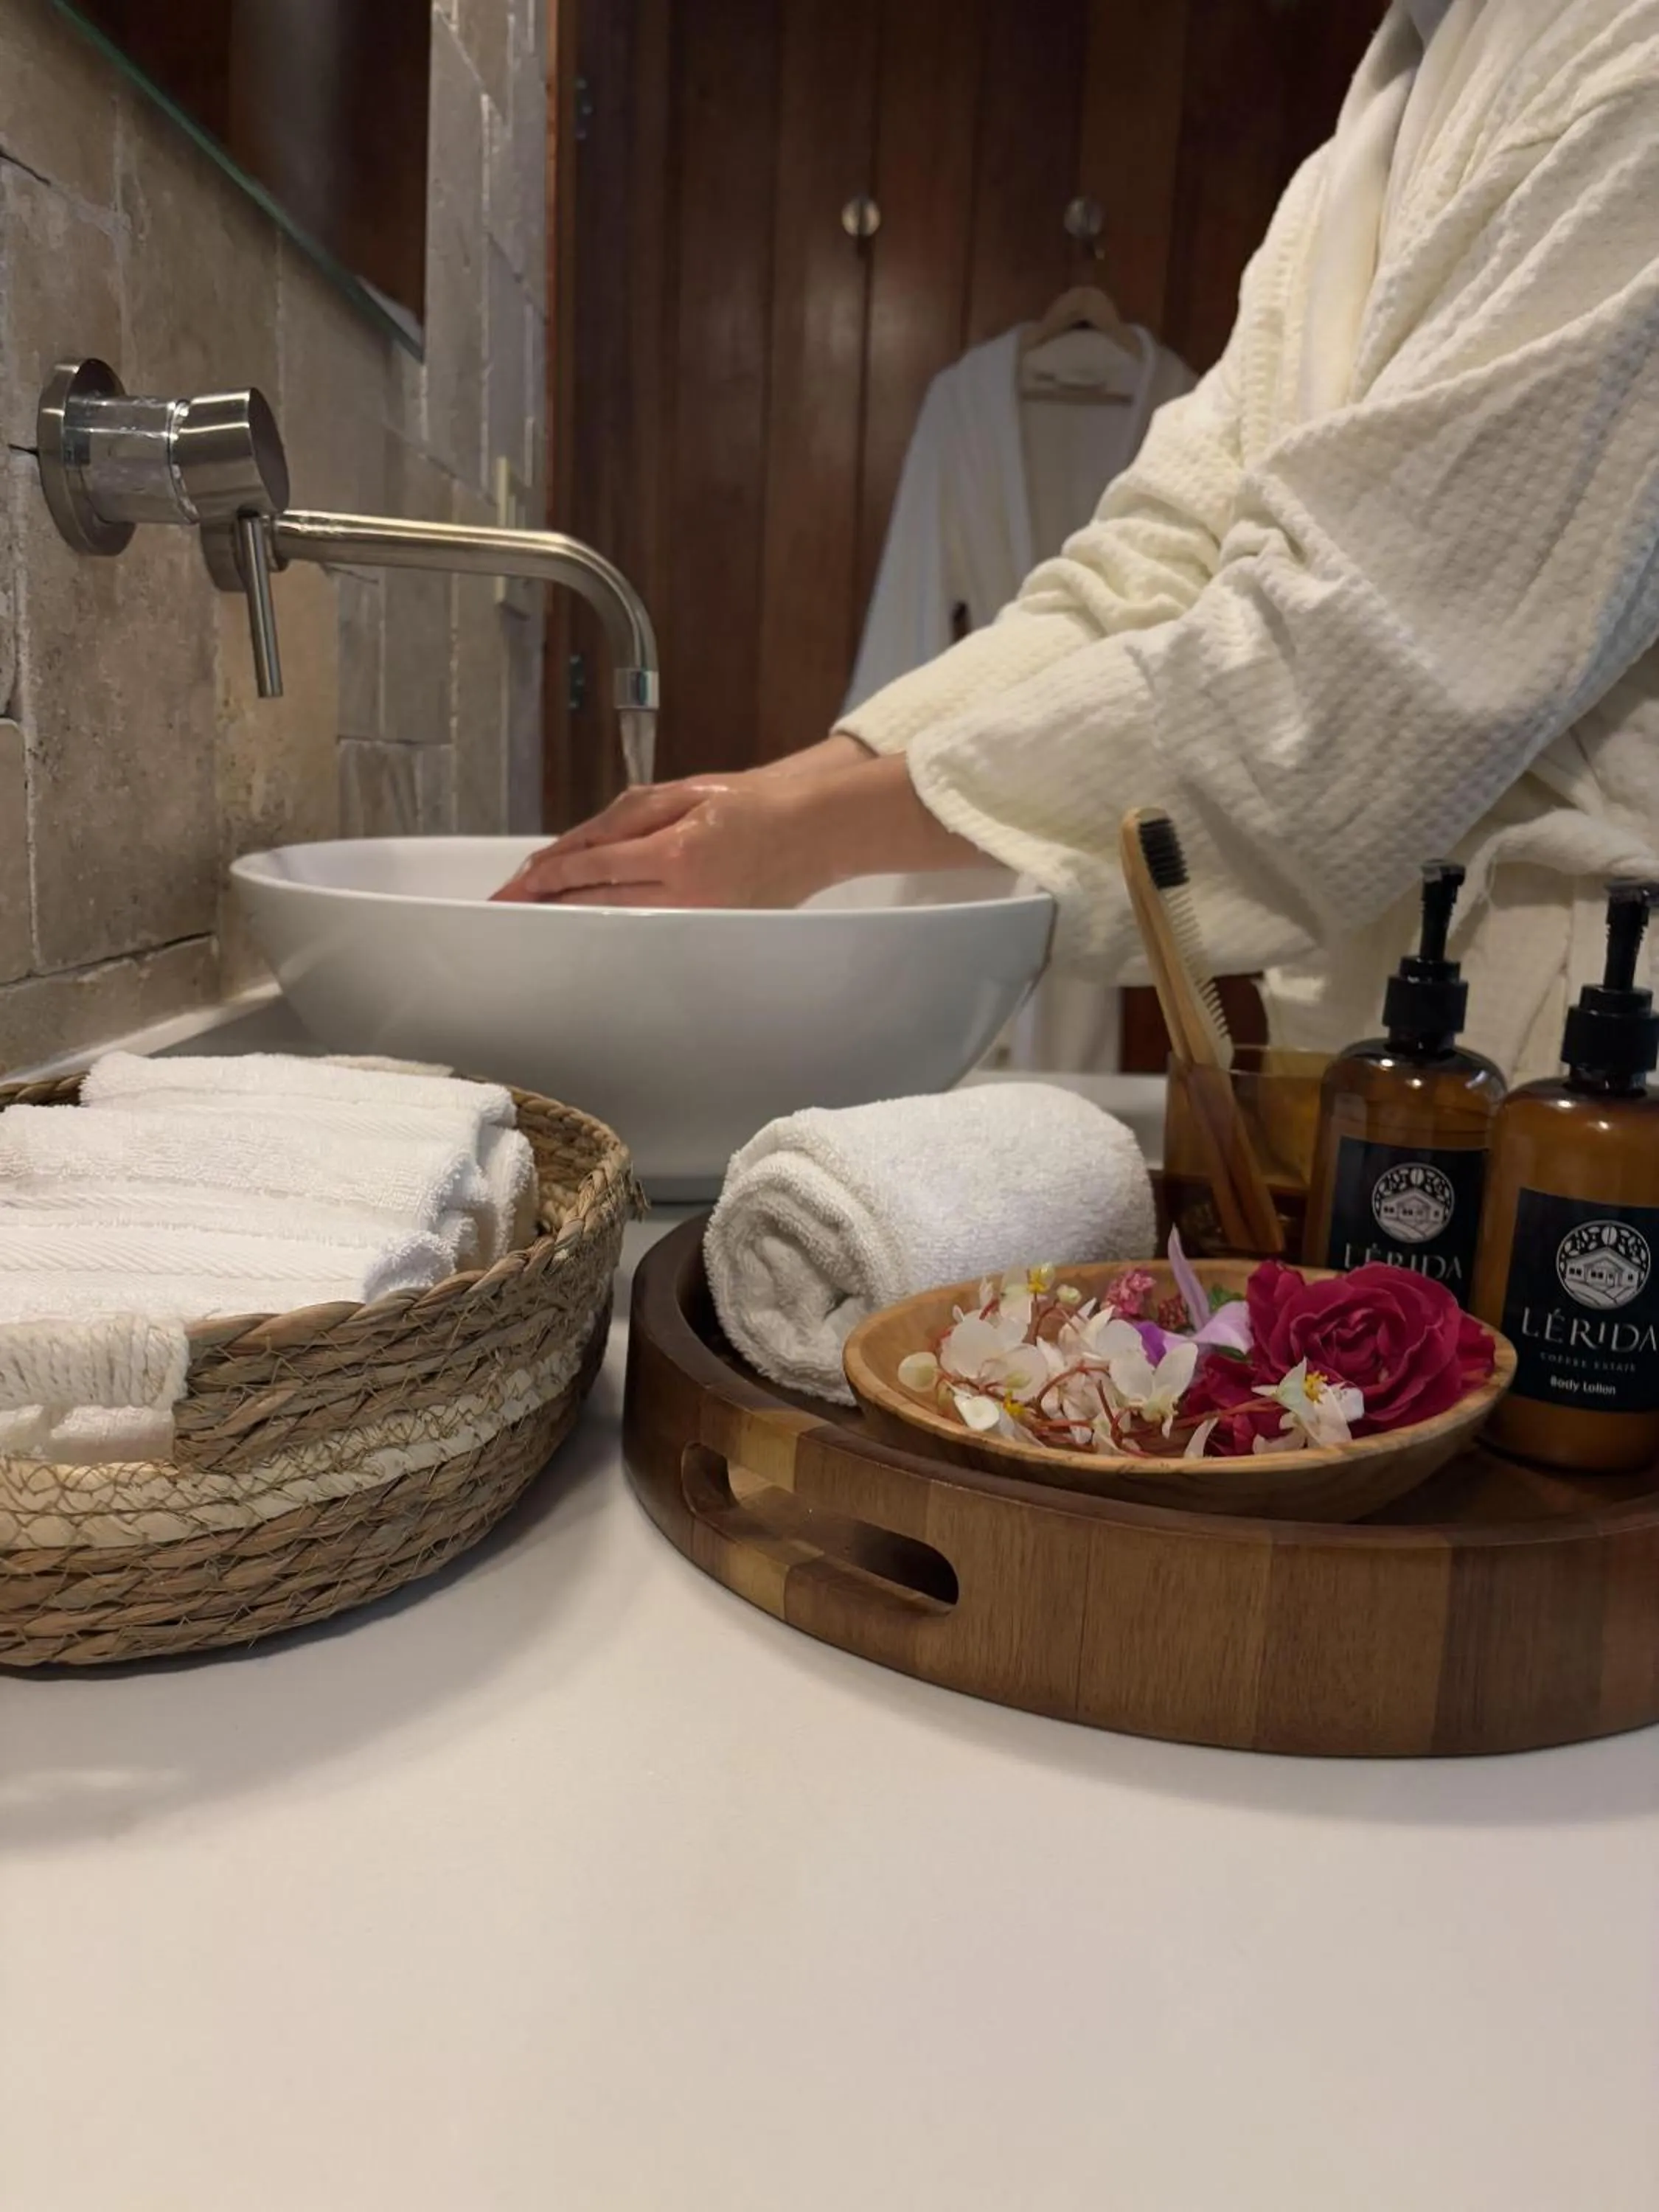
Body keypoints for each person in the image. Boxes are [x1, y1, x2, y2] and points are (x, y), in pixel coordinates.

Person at [498, 0, 1659, 1085]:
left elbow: (1360, 668)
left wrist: (799, 840)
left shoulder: (1622, 60)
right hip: (1377, 1025)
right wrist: (755, 802)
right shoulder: (1386, 112)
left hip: (1576, 1042)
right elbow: (1139, 579)